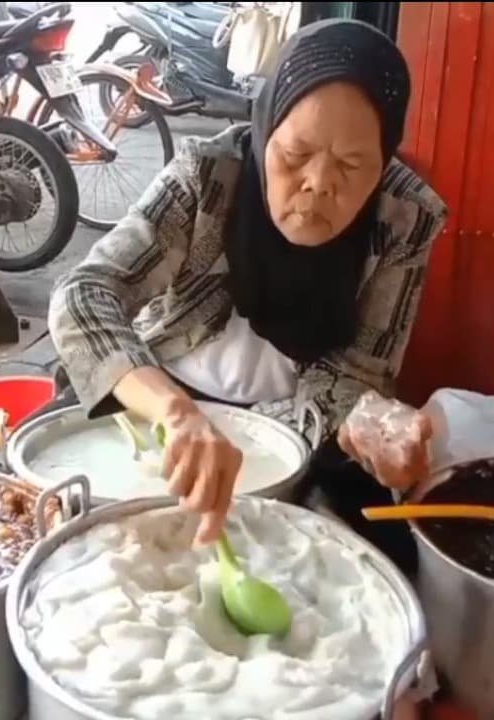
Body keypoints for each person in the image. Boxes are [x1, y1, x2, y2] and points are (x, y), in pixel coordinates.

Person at [46, 19, 446, 574]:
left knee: (380, 566)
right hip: (167, 398)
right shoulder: (206, 178)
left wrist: (366, 419)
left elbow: (358, 373)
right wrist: (175, 413)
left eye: (353, 166)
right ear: (264, 130)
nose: (318, 184)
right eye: (295, 153)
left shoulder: (405, 217)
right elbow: (84, 294)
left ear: (384, 162)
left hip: (303, 421)